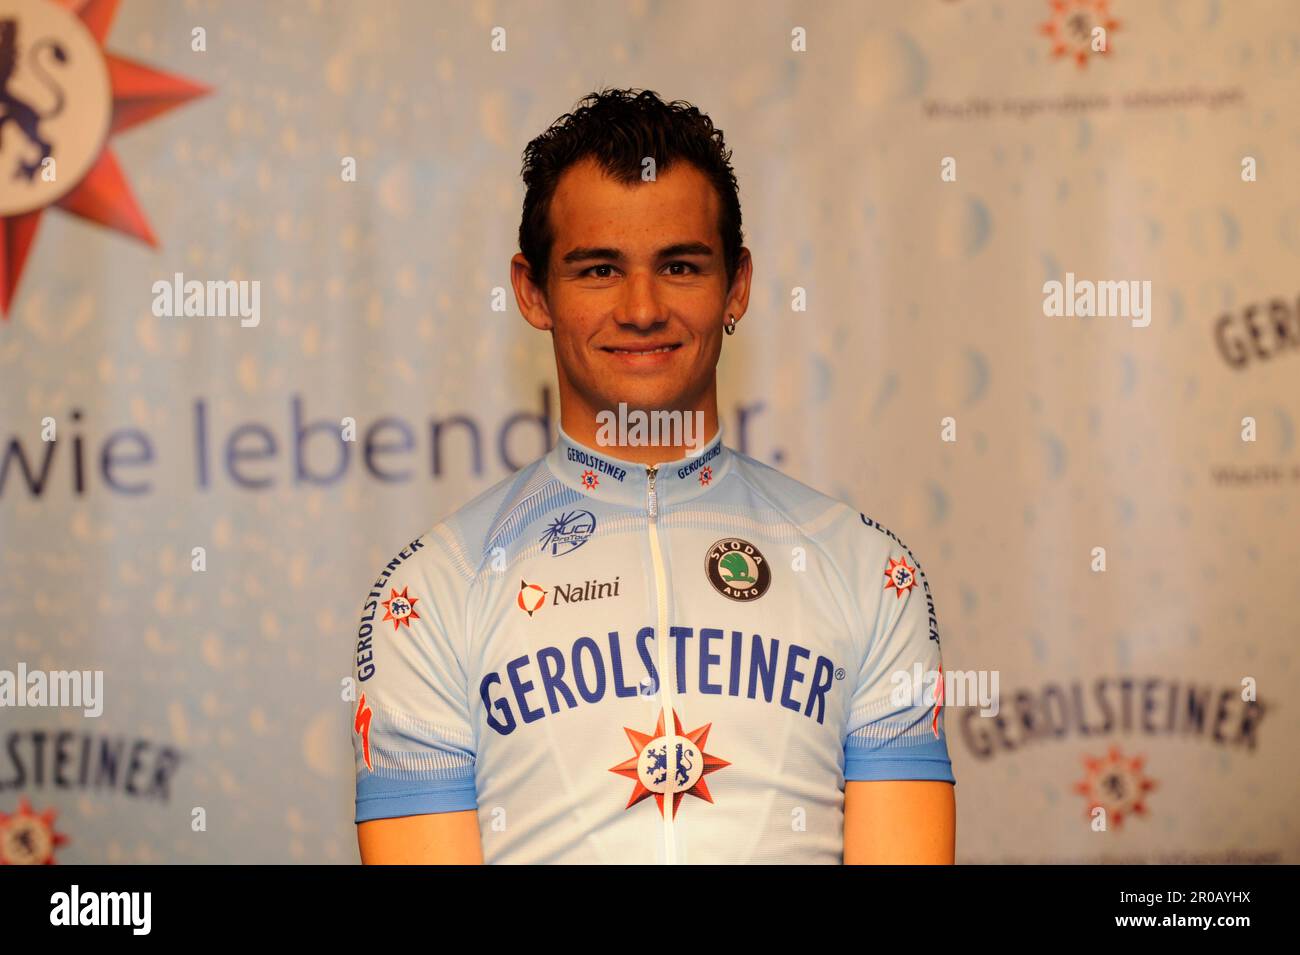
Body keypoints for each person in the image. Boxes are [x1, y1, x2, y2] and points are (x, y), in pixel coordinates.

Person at [351, 88, 955, 864]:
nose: (642, 309)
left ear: (735, 285)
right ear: (534, 292)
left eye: (679, 265)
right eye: (599, 269)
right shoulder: (427, 594)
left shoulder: (872, 572)